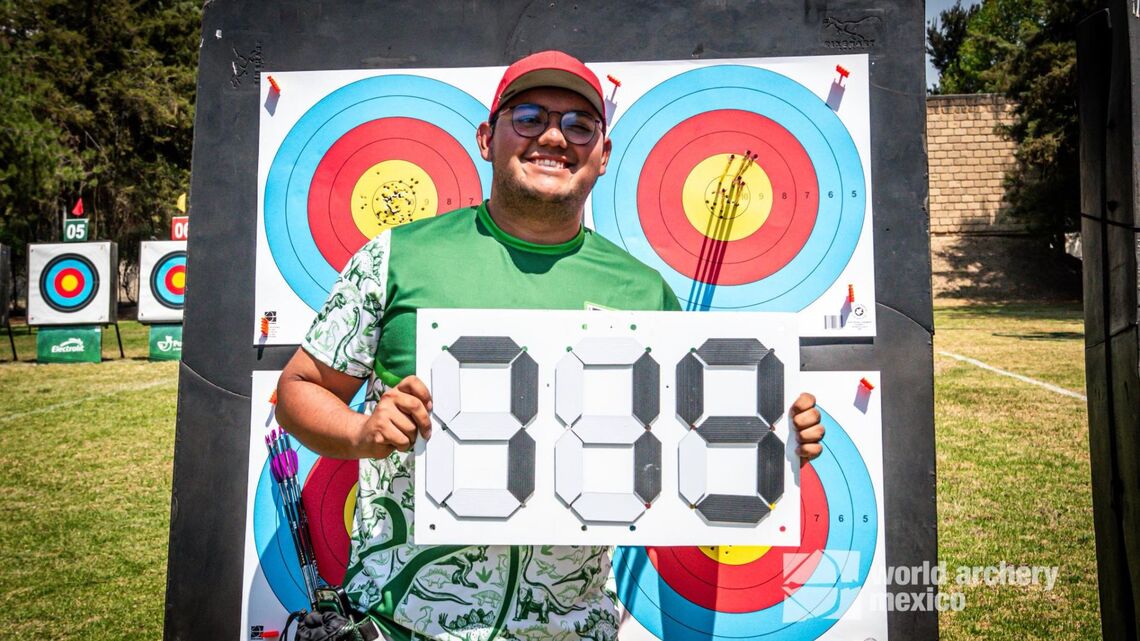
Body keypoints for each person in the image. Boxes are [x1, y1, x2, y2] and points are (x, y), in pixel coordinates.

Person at [276, 50, 825, 641]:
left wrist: (771, 437)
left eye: (579, 125)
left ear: (603, 155)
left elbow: (686, 451)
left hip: (571, 627)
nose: (554, 137)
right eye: (530, 116)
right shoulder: (397, 257)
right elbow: (297, 390)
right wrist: (362, 433)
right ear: (487, 138)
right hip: (398, 621)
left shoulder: (643, 292)